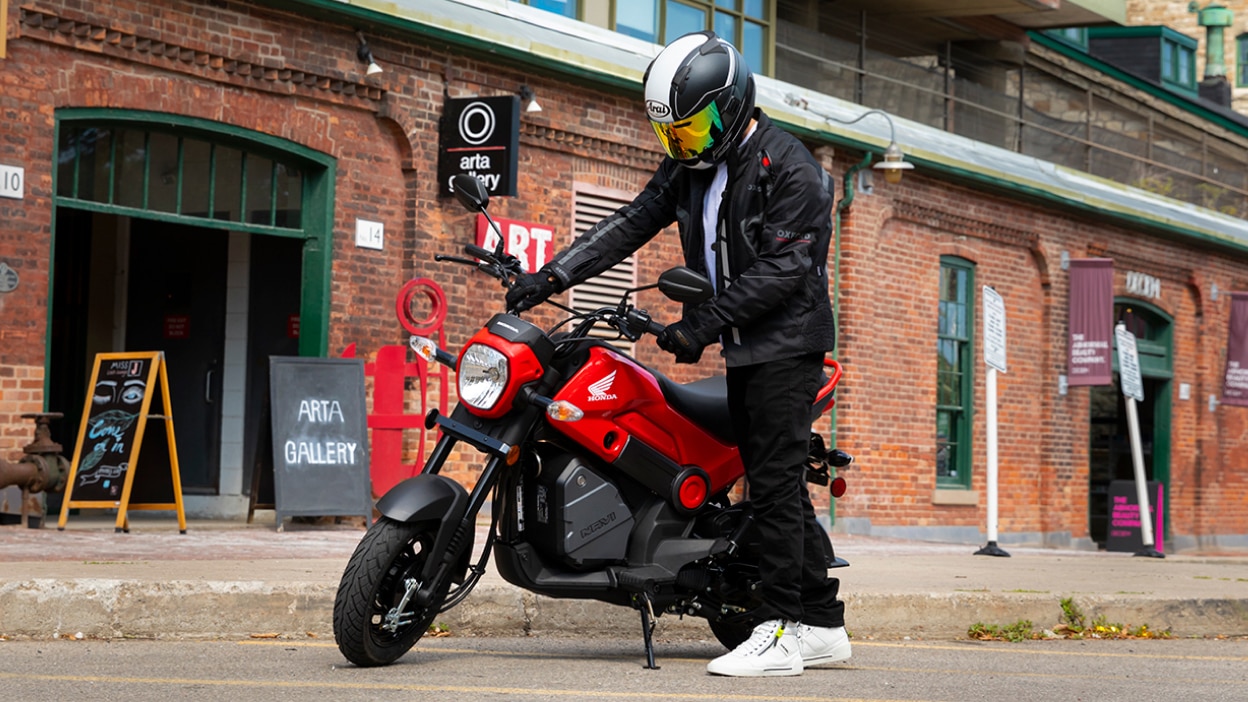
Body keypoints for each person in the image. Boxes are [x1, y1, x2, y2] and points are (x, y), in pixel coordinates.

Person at [505, 30, 849, 678]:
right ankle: (824, 624)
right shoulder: (693, 169)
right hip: (748, 350)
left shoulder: (792, 168)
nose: (682, 147)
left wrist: (703, 326)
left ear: (733, 104)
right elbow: (632, 221)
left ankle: (779, 631)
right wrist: (549, 276)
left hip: (786, 347)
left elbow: (784, 270)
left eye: (692, 132)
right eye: (672, 137)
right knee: (779, 487)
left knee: (773, 487)